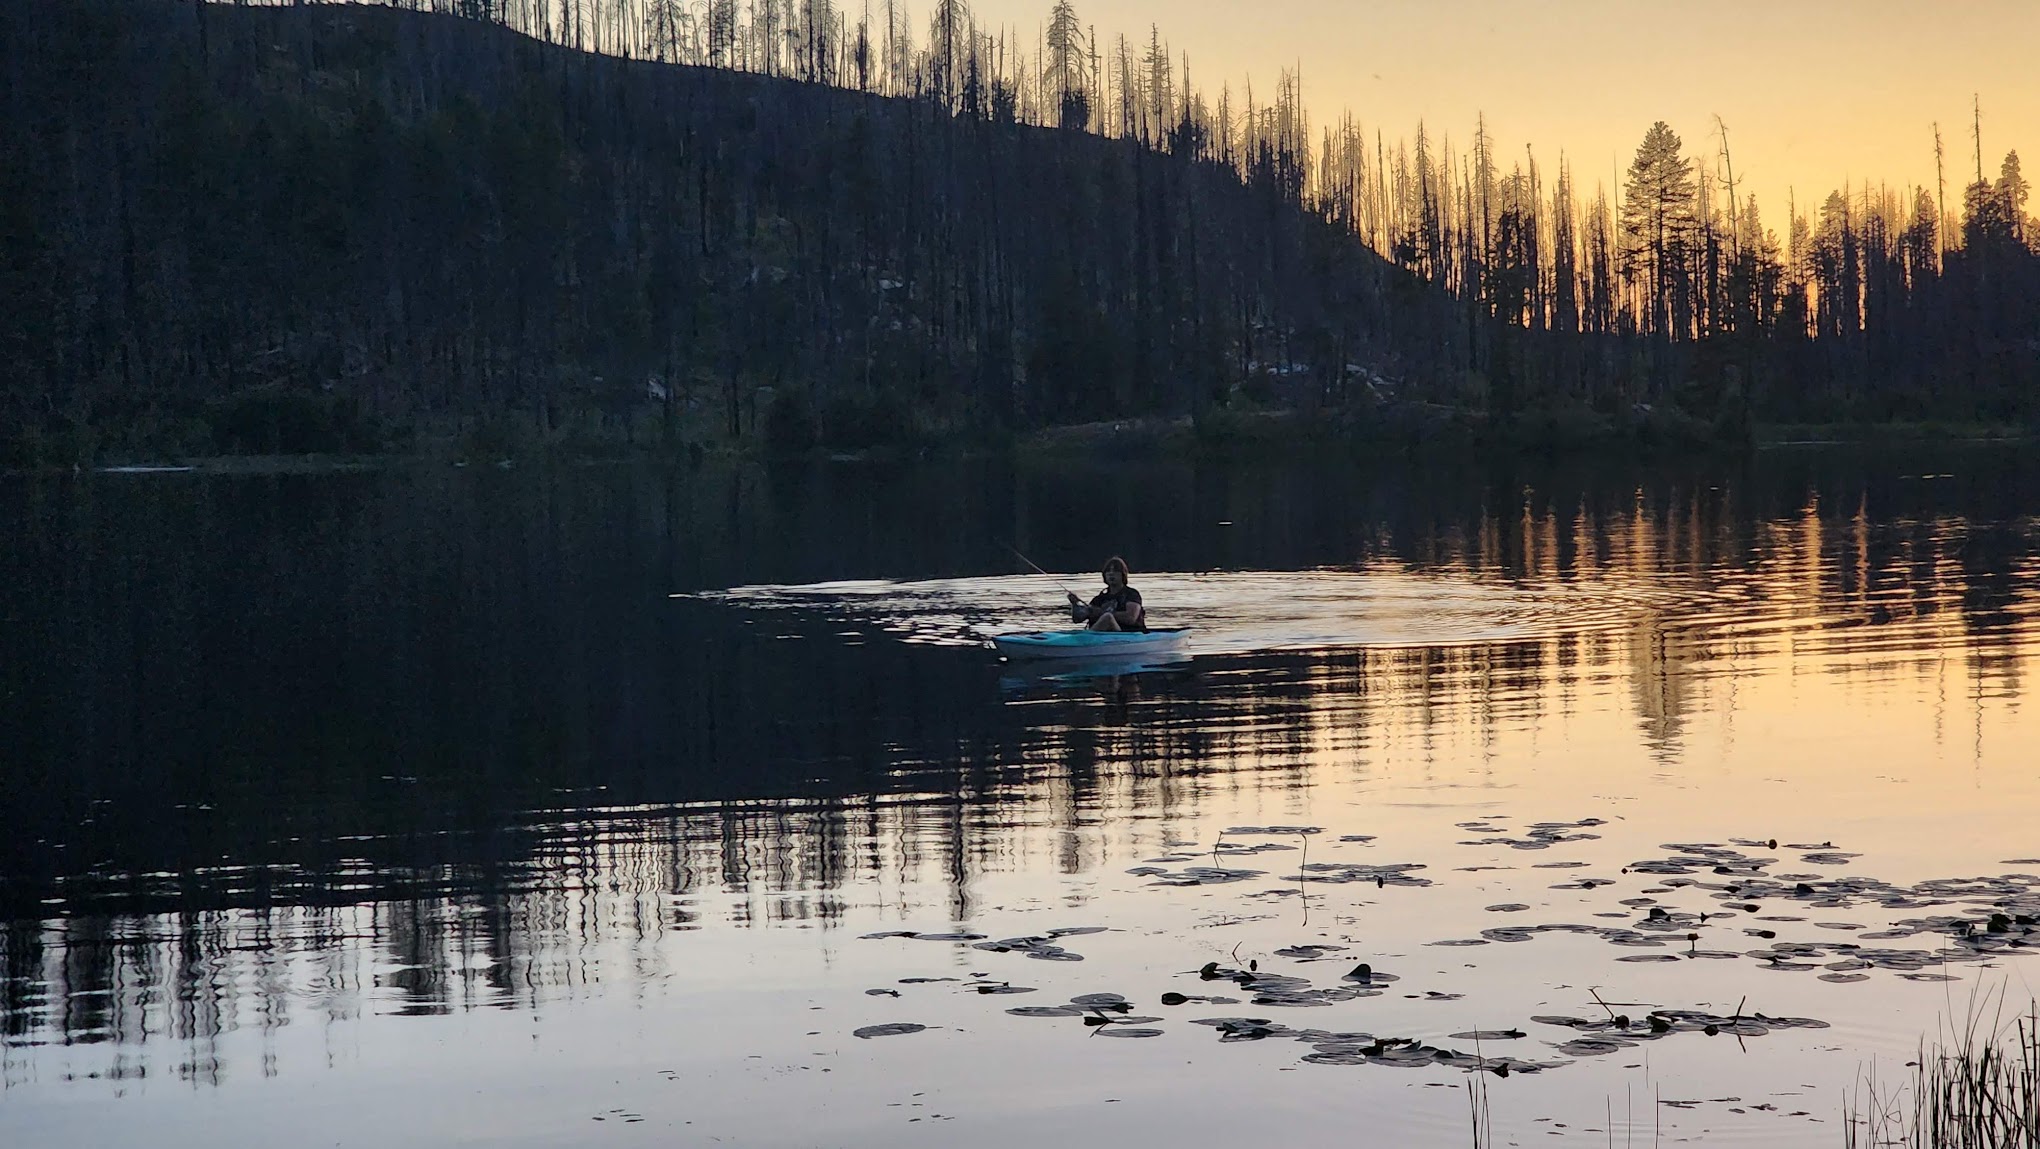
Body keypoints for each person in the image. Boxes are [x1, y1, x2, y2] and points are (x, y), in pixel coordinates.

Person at [1069, 556, 1146, 632]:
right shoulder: (1099, 599)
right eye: (1108, 571)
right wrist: (1075, 604)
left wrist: (1102, 612)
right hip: (1104, 638)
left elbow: (1131, 618)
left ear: (1123, 574)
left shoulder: (1131, 594)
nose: (1111, 574)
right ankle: (1087, 638)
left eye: (1115, 571)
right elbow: (1077, 619)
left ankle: (1086, 639)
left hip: (1128, 635)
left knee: (1108, 617)